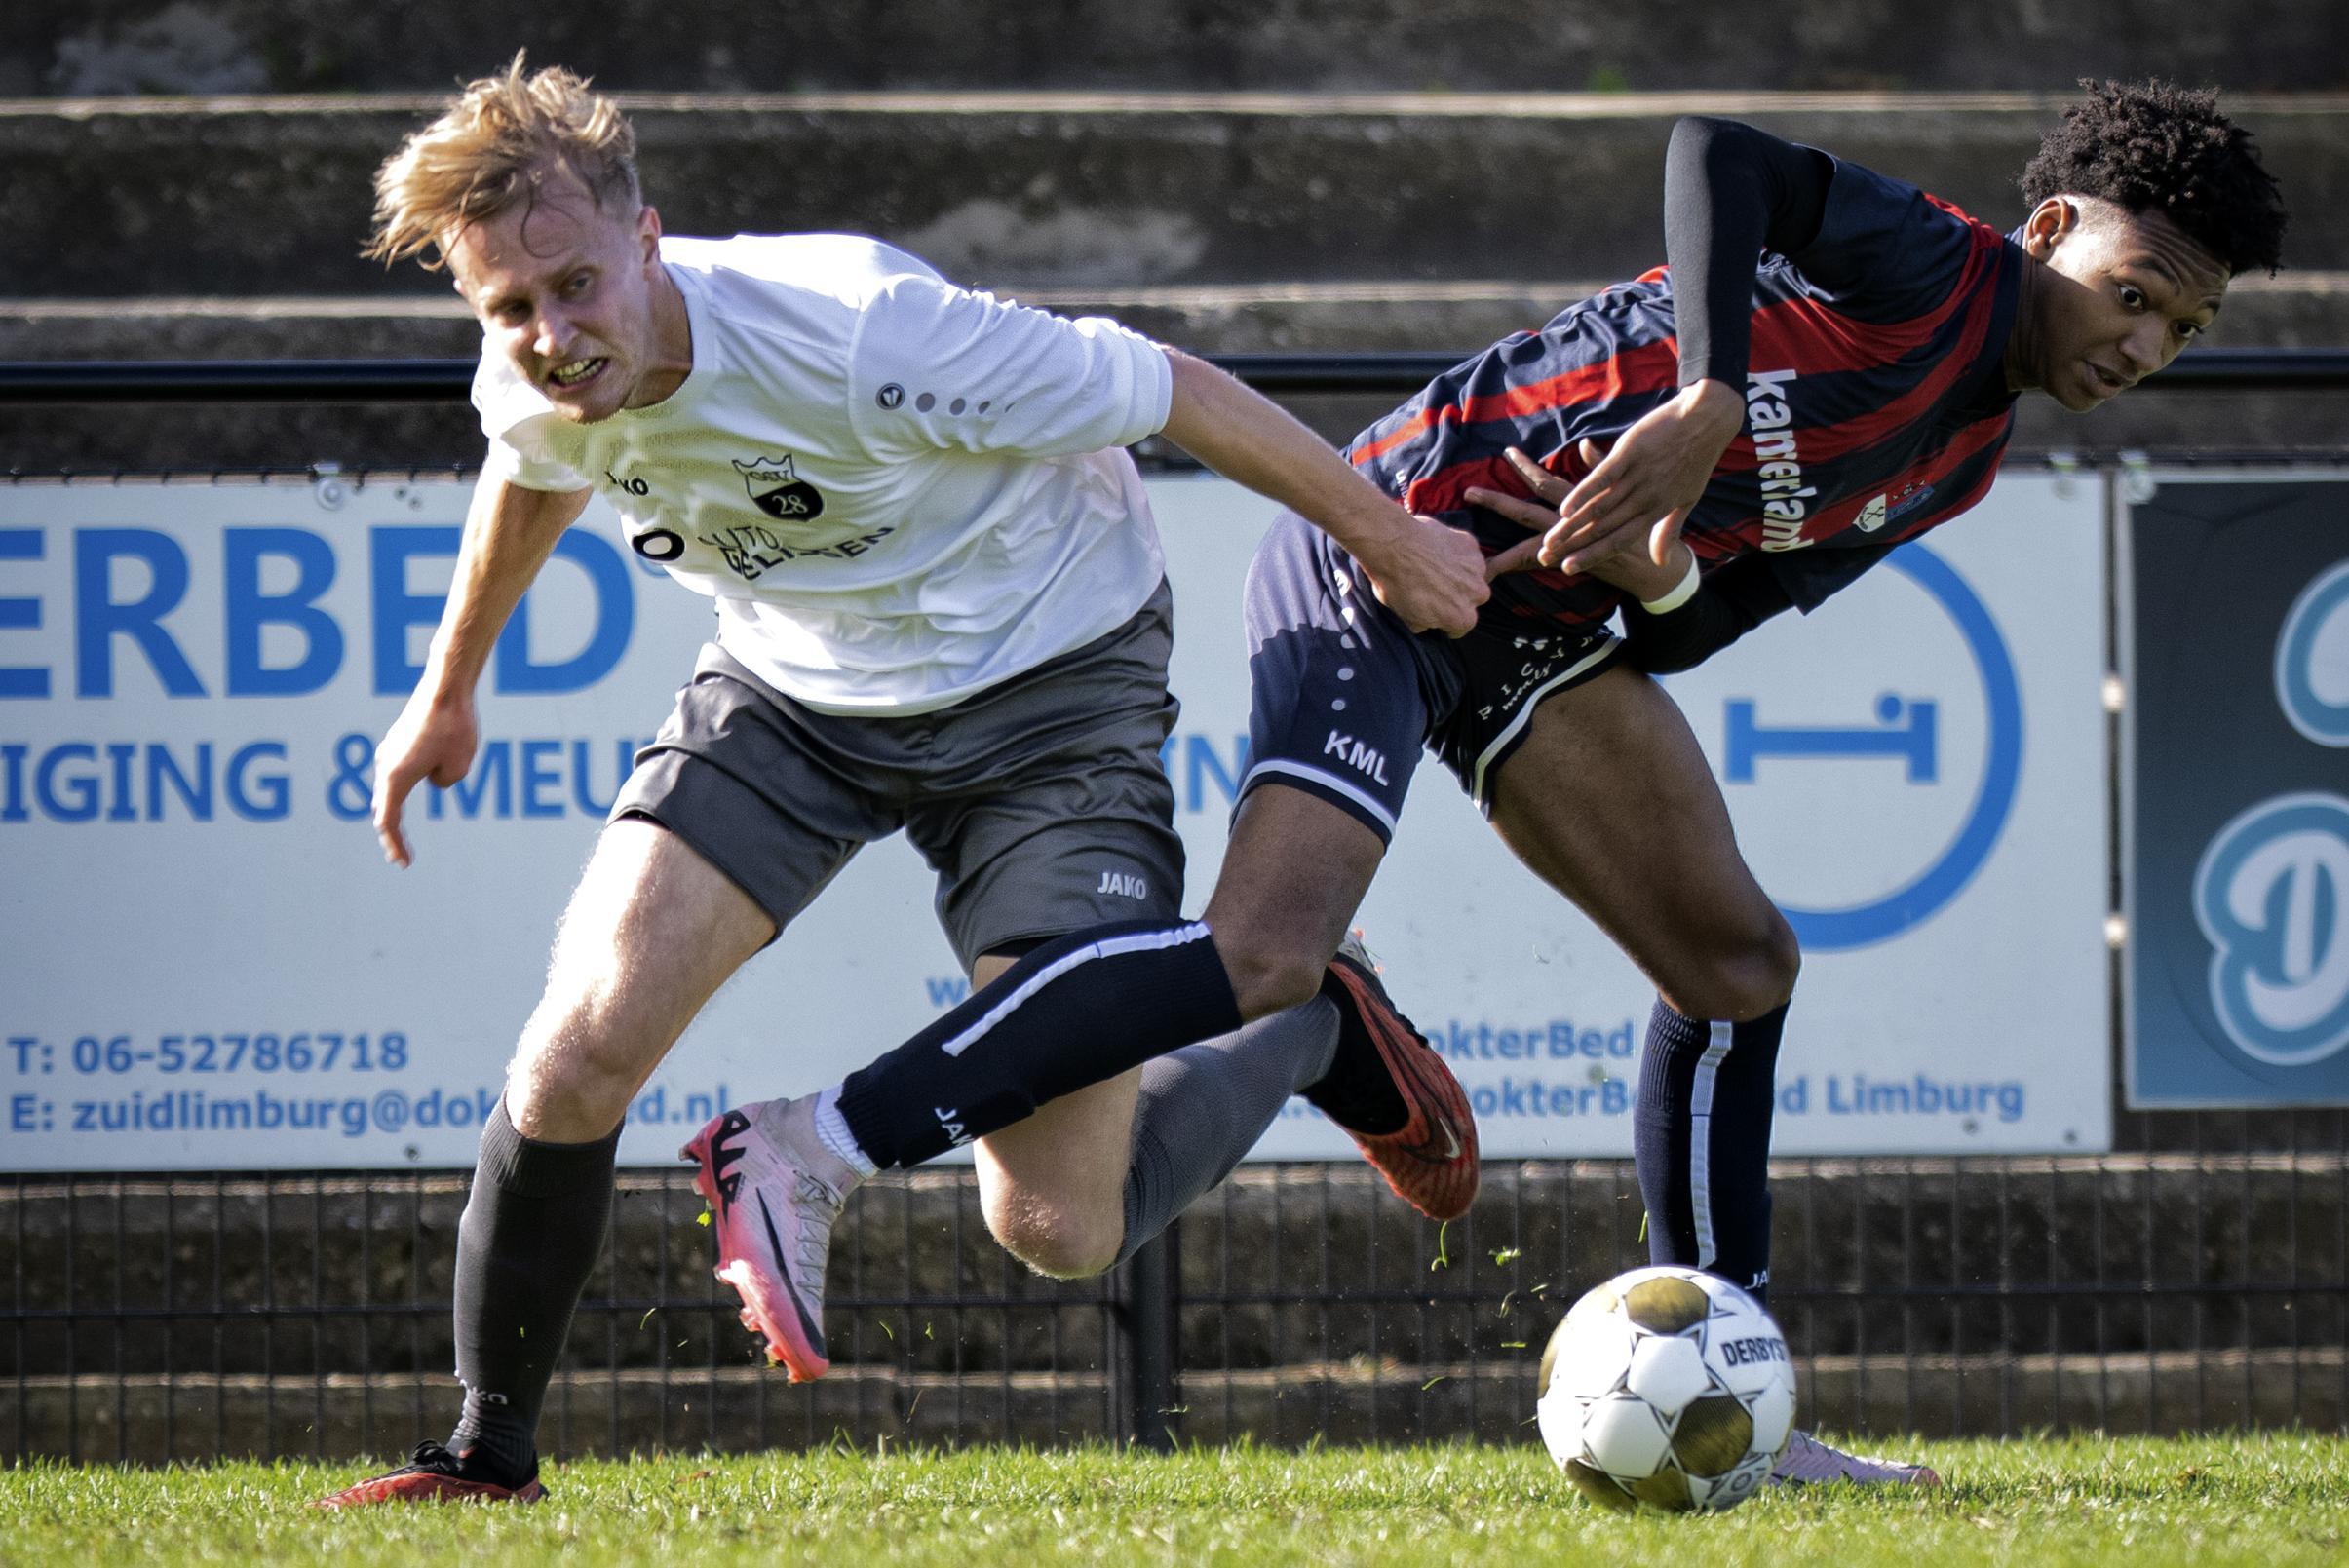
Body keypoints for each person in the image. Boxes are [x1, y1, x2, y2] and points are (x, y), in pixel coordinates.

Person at [686, 78, 2288, 1490]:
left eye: (2183, 329)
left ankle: (1738, 1379)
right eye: (2137, 292)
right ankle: (816, 1139)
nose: (2143, 344)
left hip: (1540, 631)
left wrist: (1657, 573)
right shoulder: (1930, 261)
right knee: (1261, 947)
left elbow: (1710, 615)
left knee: (1736, 968)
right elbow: (1712, 150)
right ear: (2057, 225)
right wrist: (1707, 395)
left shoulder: (1958, 455)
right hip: (1384, 548)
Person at [312, 55, 1494, 1508]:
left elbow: (1168, 385)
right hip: (794, 695)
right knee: (571, 1055)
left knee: (1058, 1222)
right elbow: (536, 458)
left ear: (648, 236)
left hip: (1050, 688)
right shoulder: (529, 371)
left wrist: (1385, 536)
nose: (550, 336)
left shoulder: (865, 331)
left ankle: (1308, 1012)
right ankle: (485, 1454)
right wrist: (446, 687)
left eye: (573, 286)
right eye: (511, 307)